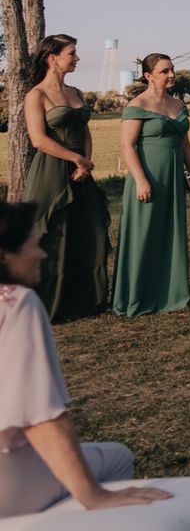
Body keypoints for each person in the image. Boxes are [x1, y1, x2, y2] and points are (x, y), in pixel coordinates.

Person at [0, 201, 172, 517]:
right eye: (34, 245)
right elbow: (42, 417)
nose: (42, 254)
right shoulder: (15, 302)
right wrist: (94, 495)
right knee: (117, 457)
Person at [22, 34, 110, 320]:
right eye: (72, 53)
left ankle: (85, 298)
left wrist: (85, 164)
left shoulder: (76, 92)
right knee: (52, 234)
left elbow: (85, 131)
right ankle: (46, 304)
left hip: (81, 170)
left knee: (88, 229)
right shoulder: (36, 95)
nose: (77, 58)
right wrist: (75, 159)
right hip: (51, 169)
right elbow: (38, 140)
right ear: (53, 58)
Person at [114, 53, 190, 316]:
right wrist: (141, 180)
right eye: (165, 71)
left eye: (172, 69)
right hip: (147, 175)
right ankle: (138, 295)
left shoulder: (177, 105)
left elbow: (184, 143)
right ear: (148, 76)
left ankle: (170, 292)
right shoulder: (138, 104)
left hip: (173, 176)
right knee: (144, 232)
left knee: (170, 230)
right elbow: (127, 145)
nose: (172, 74)